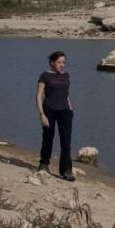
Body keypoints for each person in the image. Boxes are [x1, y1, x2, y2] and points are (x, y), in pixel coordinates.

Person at [36, 51, 75, 181]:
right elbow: (38, 96)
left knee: (66, 142)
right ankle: (44, 164)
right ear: (52, 62)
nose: (62, 65)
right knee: (48, 139)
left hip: (65, 112)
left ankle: (66, 171)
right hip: (49, 111)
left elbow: (65, 93)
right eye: (59, 62)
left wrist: (70, 107)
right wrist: (42, 115)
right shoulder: (45, 75)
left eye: (63, 62)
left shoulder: (66, 76)